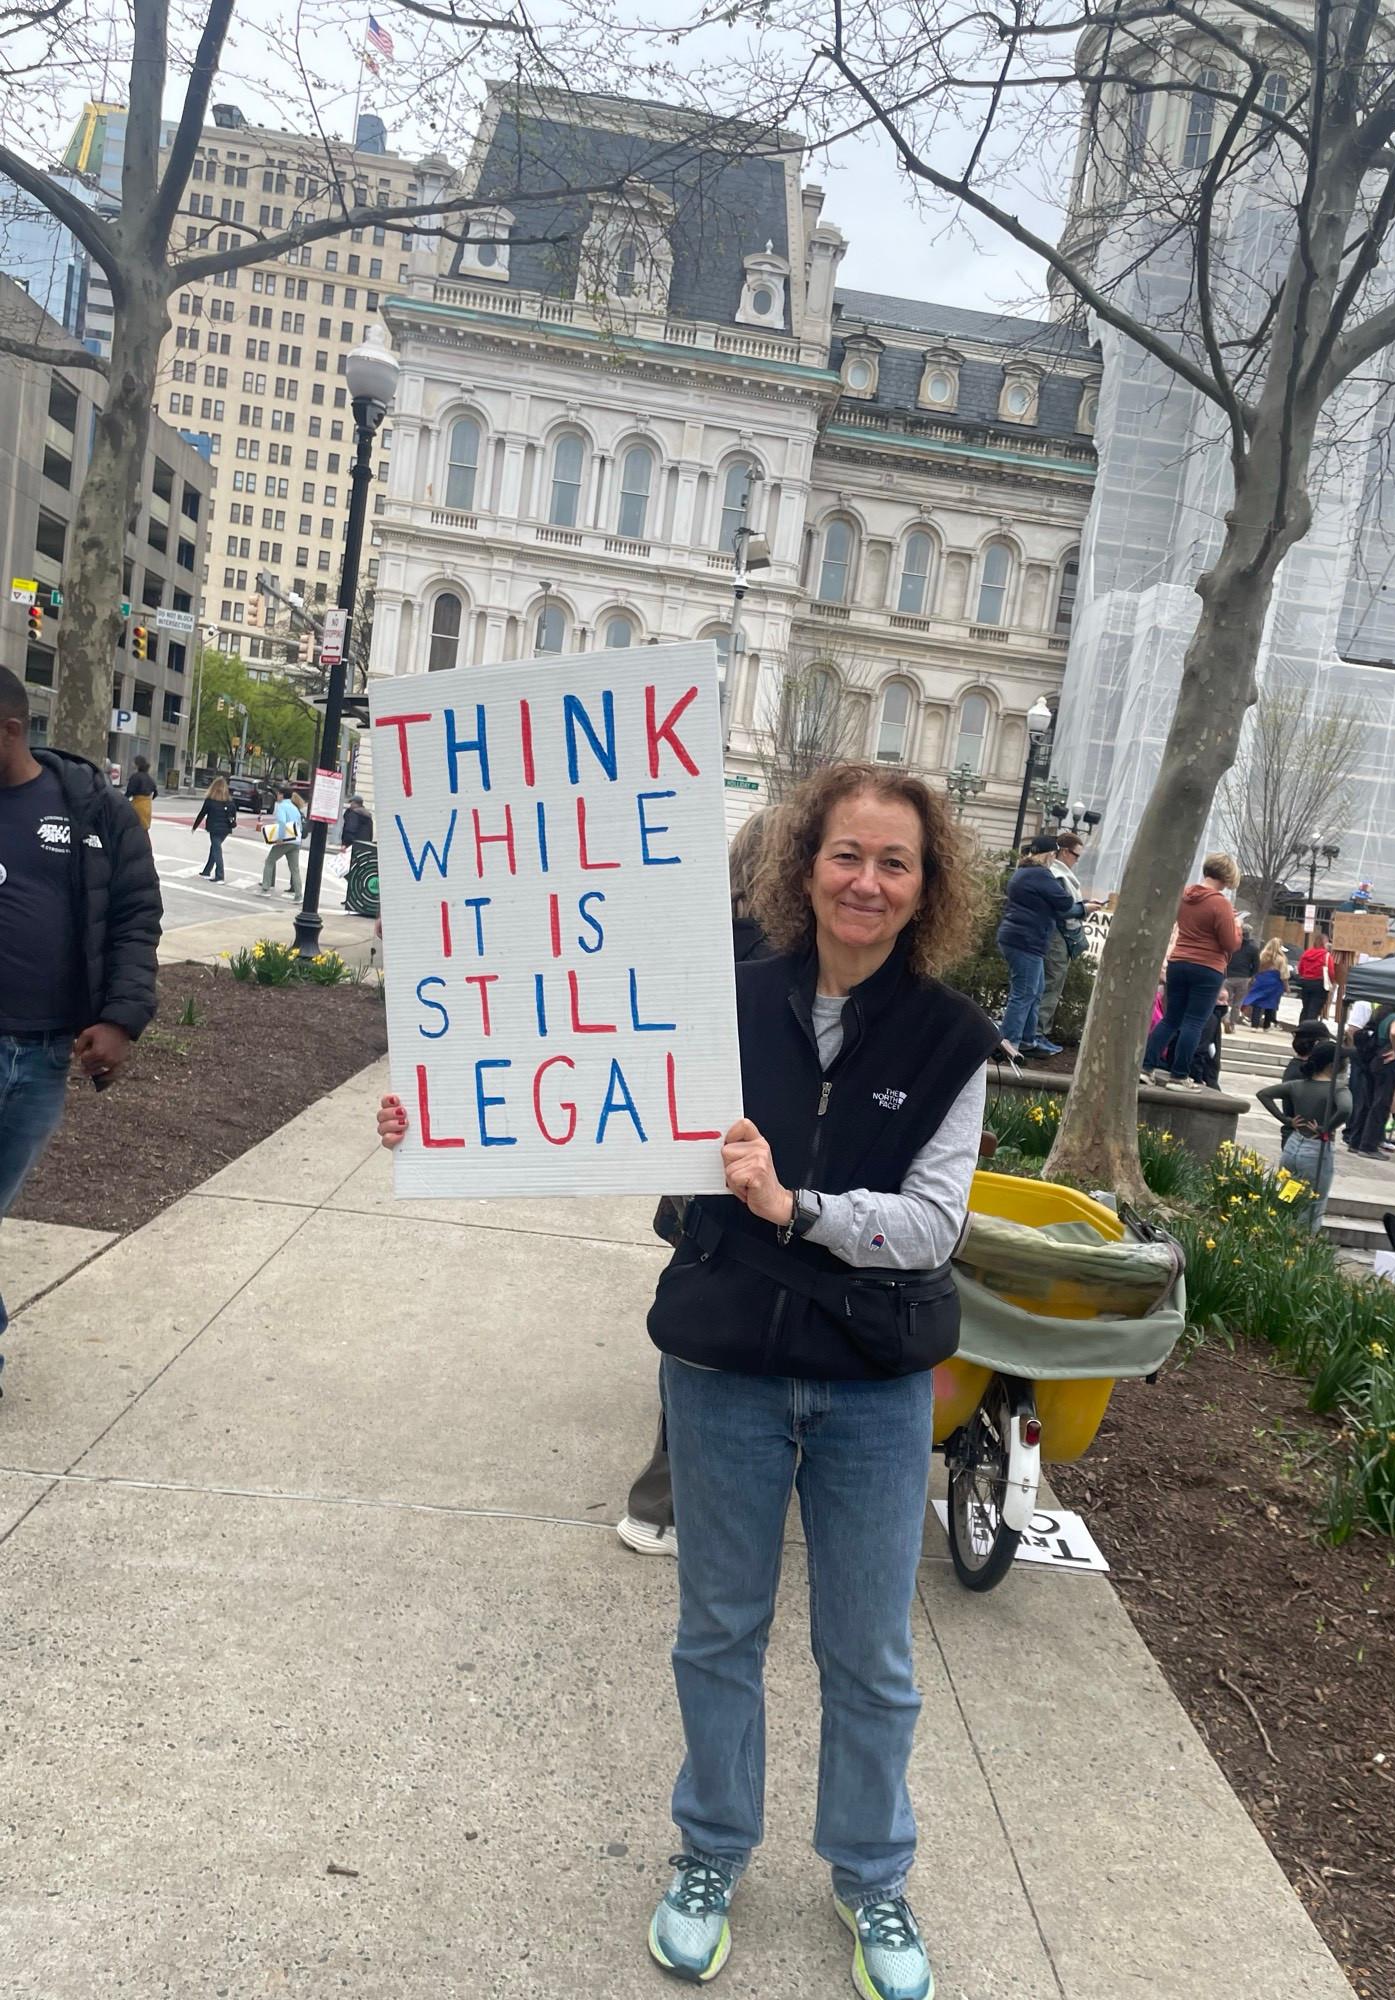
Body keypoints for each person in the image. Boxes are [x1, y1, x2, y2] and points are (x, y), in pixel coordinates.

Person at [380, 763, 996, 2000]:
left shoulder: (953, 1038)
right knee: (718, 1630)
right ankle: (711, 1851)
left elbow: (933, 1225)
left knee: (870, 1652)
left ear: (928, 886)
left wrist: (796, 1206)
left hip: (872, 1385)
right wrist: (442, 1114)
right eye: (846, 853)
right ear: (803, 864)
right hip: (723, 1369)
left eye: (896, 861)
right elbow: (571, 1085)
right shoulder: (717, 999)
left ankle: (871, 1871)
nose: (867, 880)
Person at [618, 806, 783, 1562]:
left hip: (699, 1183)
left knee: (698, 1315)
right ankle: (666, 1501)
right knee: (711, 1331)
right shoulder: (786, 963)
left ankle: (667, 1500)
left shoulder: (697, 942)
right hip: (751, 1176)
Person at [0, 666, 162, 1371]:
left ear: (10, 731)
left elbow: (134, 919)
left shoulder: (94, 810)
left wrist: (121, 1020)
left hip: (42, 1057)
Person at [1141, 853, 1241, 1090]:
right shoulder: (1220, 903)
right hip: (1207, 966)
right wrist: (1236, 926)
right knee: (1194, 1022)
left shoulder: (1184, 895)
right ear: (1227, 876)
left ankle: (1146, 1067)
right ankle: (1179, 1076)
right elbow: (1230, 943)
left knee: (1170, 1019)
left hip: (1178, 962)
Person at [995, 842, 1088, 1064]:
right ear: (1049, 854)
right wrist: (1085, 908)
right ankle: (1009, 1043)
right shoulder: (1041, 874)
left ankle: (1027, 1040)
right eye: (1054, 854)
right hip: (1027, 941)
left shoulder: (1023, 871)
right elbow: (1065, 902)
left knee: (1035, 991)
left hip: (1018, 938)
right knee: (1024, 993)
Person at [1257, 1040, 1351, 1231]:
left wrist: (1286, 1120)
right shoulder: (1337, 1088)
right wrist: (1326, 1128)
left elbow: (1264, 1094)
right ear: (1332, 1065)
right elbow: (1345, 1109)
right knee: (1313, 1203)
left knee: (1288, 1195)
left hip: (1293, 1145)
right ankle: (1300, 1240)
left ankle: (1278, 1232)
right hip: (1316, 1150)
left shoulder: (1297, 1085)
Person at [1036, 827, 1087, 1042]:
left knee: (1047, 984)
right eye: (1076, 855)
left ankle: (1037, 1032)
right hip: (1058, 934)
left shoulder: (1057, 874)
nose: (1077, 861)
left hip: (1054, 932)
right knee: (1051, 984)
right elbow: (1062, 908)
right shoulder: (1058, 875)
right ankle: (1038, 1032)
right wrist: (1084, 909)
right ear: (1064, 851)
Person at [1344, 1002, 1395, 1158]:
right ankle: (1369, 1146)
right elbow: (1394, 1032)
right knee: (1381, 1104)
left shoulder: (1381, 1016)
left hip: (1375, 1060)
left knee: (1367, 1102)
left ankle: (1356, 1141)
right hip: (1389, 1062)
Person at [259, 785, 304, 896]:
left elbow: (282, 822)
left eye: (278, 794)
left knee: (270, 861)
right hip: (296, 840)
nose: (277, 796)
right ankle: (298, 894)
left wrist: (280, 837)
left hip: (285, 840)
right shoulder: (295, 808)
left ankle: (265, 887)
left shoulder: (281, 807)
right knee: (294, 869)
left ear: (282, 795)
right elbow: (300, 825)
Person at [191, 776, 237, 881]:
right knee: (215, 848)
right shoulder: (230, 801)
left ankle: (220, 875)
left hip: (214, 828)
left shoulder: (210, 800)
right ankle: (207, 871)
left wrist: (195, 826)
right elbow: (233, 815)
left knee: (216, 850)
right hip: (225, 829)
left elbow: (202, 814)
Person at [1242, 938, 1288, 1030]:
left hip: (1261, 980)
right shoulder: (1281, 959)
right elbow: (1284, 974)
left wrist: (1252, 979)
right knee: (1270, 1003)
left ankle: (1254, 1025)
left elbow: (1255, 968)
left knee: (1257, 1002)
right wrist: (1286, 986)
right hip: (1274, 982)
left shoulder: (1262, 956)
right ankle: (1266, 1025)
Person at [1223, 917, 1259, 1031]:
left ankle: (1225, 1018)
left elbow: (1225, 958)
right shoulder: (1253, 948)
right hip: (1244, 977)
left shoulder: (1232, 945)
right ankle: (1232, 1024)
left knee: (1224, 1000)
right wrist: (1251, 976)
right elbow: (1256, 965)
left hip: (1228, 976)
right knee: (1237, 1003)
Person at [1296, 930, 1335, 1024]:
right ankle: (1309, 1028)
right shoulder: (1326, 955)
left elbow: (1300, 968)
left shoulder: (1306, 953)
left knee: (1306, 1007)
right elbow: (1330, 971)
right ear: (1324, 943)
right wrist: (1331, 982)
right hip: (1319, 984)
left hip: (1306, 983)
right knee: (1314, 1009)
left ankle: (1301, 1027)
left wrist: (1304, 975)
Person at [123, 754, 157, 830]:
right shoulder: (149, 777)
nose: (132, 764)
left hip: (137, 805)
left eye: (133, 762)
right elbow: (155, 792)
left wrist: (123, 800)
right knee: (144, 827)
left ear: (137, 764)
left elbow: (129, 792)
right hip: (147, 805)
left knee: (134, 826)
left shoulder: (135, 776)